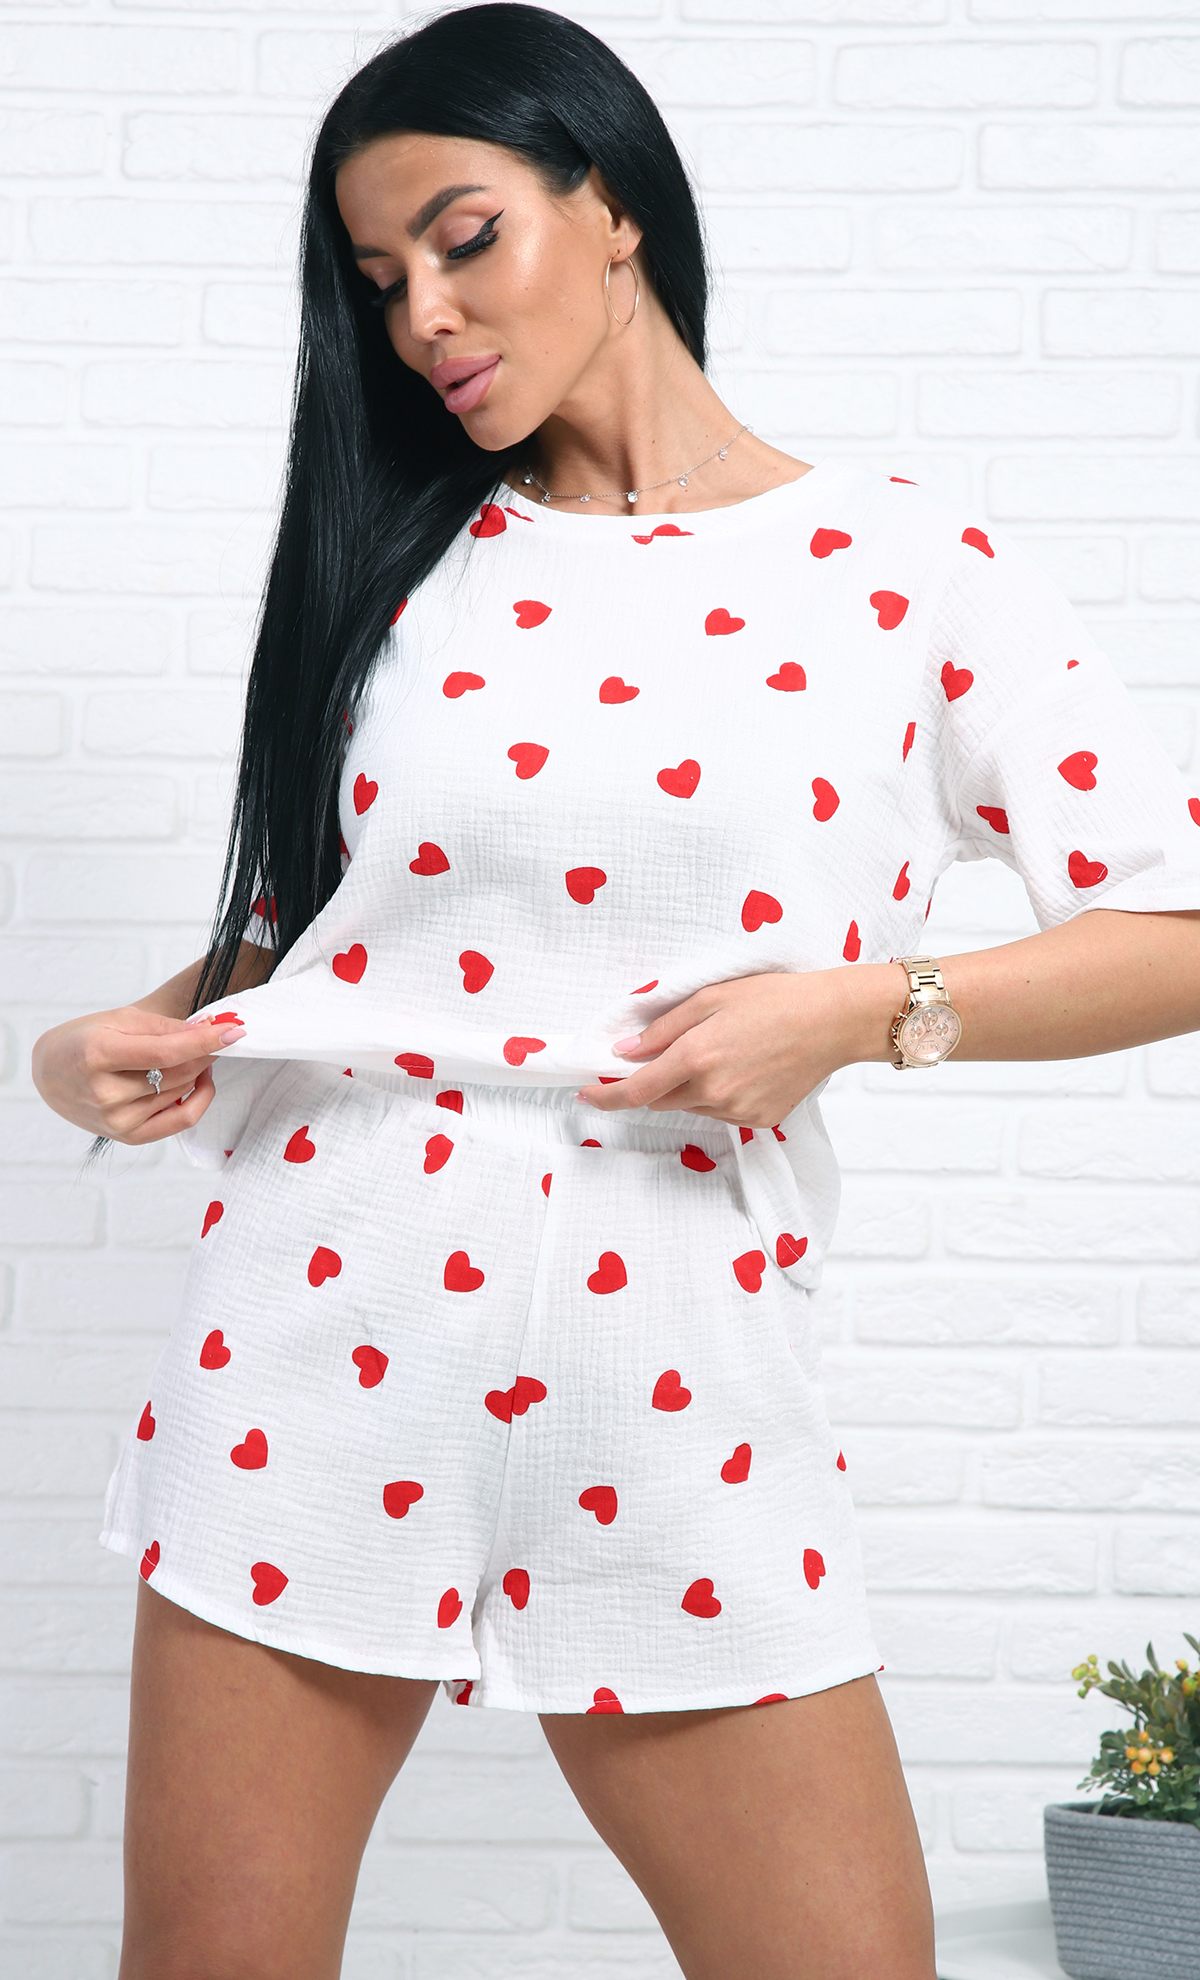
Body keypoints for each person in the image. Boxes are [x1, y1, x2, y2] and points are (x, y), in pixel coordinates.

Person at [30, 7, 1200, 1976]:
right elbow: (323, 938)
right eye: (379, 280)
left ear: (615, 203)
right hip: (319, 1338)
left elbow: (1177, 925)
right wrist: (112, 1044)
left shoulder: (904, 568)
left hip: (685, 1376)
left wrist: (866, 1008)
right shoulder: (395, 565)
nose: (422, 316)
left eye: (463, 237)